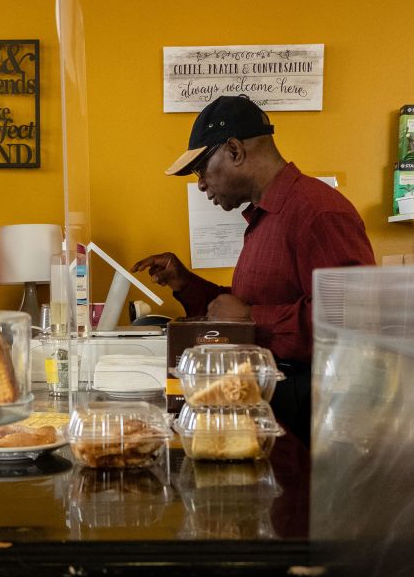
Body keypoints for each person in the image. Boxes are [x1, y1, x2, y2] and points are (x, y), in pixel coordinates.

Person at [132, 94, 375, 444]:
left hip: (309, 427)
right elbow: (244, 307)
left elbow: (355, 321)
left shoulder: (316, 212)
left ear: (234, 151)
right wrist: (186, 283)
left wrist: (252, 318)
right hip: (271, 414)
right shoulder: (266, 216)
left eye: (202, 169)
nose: (200, 184)